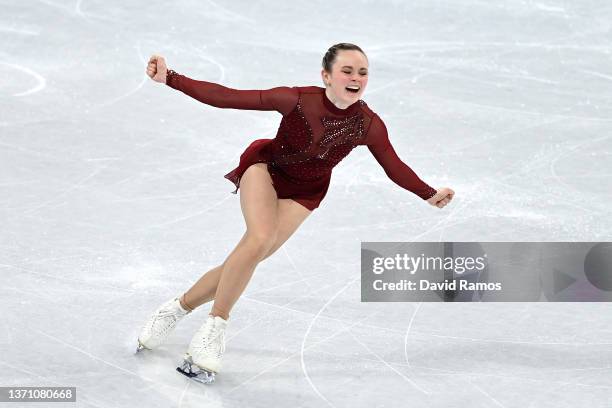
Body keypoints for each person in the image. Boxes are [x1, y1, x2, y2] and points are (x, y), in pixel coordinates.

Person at [136, 43, 455, 383]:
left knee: (251, 255)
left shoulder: (368, 125)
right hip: (266, 170)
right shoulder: (296, 100)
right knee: (258, 239)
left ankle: (175, 309)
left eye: (362, 73)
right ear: (326, 76)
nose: (355, 78)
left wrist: (428, 193)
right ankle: (213, 329)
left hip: (305, 193)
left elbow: (393, 165)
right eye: (347, 71)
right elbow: (227, 96)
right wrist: (170, 78)